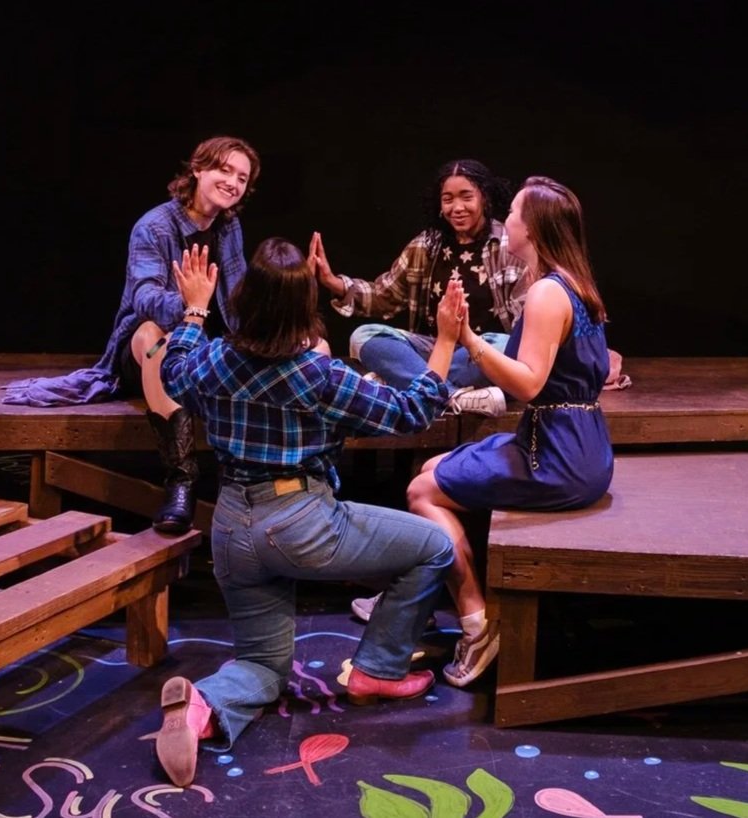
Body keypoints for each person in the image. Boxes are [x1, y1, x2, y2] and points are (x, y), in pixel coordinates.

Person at [153, 237, 466, 788]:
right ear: (304, 307)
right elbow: (413, 411)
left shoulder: (213, 359)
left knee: (262, 668)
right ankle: (377, 670)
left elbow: (172, 372)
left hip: (230, 525)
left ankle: (203, 705)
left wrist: (196, 308)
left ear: (246, 297)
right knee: (434, 547)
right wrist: (443, 341)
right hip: (301, 522)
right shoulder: (318, 375)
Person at [401, 175, 614, 688]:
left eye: (514, 212)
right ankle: (423, 594)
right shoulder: (575, 283)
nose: (507, 221)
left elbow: (528, 384)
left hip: (554, 457)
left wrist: (465, 339)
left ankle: (477, 624)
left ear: (532, 227)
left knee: (420, 492)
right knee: (434, 467)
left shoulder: (546, 293)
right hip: (581, 447)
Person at [3, 135, 261, 533]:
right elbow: (144, 297)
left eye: (242, 178)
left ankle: (245, 487)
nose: (233, 182)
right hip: (147, 350)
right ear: (197, 169)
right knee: (154, 336)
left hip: (203, 346)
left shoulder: (229, 227)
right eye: (224, 170)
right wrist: (191, 303)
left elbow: (239, 294)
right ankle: (181, 479)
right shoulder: (154, 226)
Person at [310, 158, 533, 417]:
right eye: (448, 199)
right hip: (433, 349)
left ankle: (403, 379)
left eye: (466, 197)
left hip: (482, 353)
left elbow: (525, 322)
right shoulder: (426, 246)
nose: (457, 207)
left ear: (484, 197)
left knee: (509, 344)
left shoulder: (507, 245)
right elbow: (384, 295)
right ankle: (453, 396)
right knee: (363, 335)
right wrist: (333, 282)